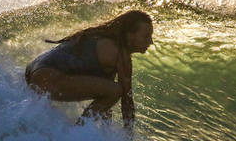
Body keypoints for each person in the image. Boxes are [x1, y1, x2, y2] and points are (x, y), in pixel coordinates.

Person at [24, 10, 153, 127]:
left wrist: (106, 134)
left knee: (111, 90)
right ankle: (77, 133)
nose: (150, 41)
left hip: (34, 72)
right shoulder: (117, 53)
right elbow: (127, 101)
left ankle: (78, 133)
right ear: (129, 35)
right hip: (47, 77)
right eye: (146, 36)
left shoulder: (105, 40)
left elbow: (105, 104)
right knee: (116, 90)